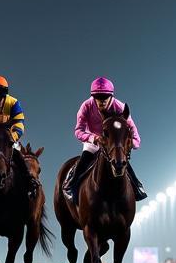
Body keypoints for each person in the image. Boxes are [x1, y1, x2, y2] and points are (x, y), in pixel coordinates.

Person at [63, 76, 147, 205]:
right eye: (98, 97)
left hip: (113, 143)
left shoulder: (120, 106)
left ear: (111, 96)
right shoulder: (86, 106)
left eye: (105, 97)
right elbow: (78, 131)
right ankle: (70, 186)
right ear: (93, 96)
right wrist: (94, 138)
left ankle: (137, 186)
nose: (101, 101)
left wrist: (134, 142)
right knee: (84, 161)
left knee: (122, 161)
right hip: (93, 141)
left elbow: (132, 128)